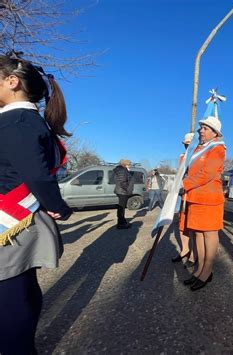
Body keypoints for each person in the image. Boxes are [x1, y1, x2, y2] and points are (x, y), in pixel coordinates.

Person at [0, 54, 73, 354]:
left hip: (13, 221)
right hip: (20, 220)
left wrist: (60, 206)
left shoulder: (15, 121)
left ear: (12, 81)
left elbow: (36, 175)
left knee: (10, 299)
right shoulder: (25, 120)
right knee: (22, 292)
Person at [180, 117, 226, 291]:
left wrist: (184, 184)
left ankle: (207, 271)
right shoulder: (198, 148)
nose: (201, 131)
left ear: (214, 133)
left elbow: (207, 173)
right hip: (195, 198)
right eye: (201, 128)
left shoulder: (218, 148)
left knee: (209, 235)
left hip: (209, 199)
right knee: (198, 234)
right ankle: (199, 269)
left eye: (205, 128)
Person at [173, 132, 195, 264]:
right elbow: (181, 174)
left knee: (194, 226)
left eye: (189, 145)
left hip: (194, 194)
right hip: (183, 193)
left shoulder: (199, 155)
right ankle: (185, 250)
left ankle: (194, 254)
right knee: (182, 224)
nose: (187, 148)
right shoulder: (182, 157)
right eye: (185, 145)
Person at [113, 159, 134, 229]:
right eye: (129, 164)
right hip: (123, 192)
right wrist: (128, 190)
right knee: (121, 208)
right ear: (125, 164)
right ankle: (121, 224)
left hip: (121, 191)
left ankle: (122, 222)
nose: (130, 166)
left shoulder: (122, 170)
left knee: (121, 208)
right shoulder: (122, 170)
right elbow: (122, 182)